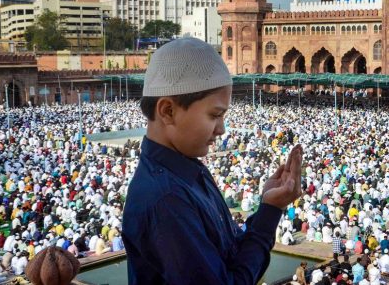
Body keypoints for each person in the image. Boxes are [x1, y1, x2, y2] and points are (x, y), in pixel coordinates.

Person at [123, 38, 303, 284]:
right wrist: (270, 213)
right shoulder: (165, 199)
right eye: (215, 115)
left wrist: (269, 207)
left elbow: (230, 256)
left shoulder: (188, 171)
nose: (221, 129)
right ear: (168, 111)